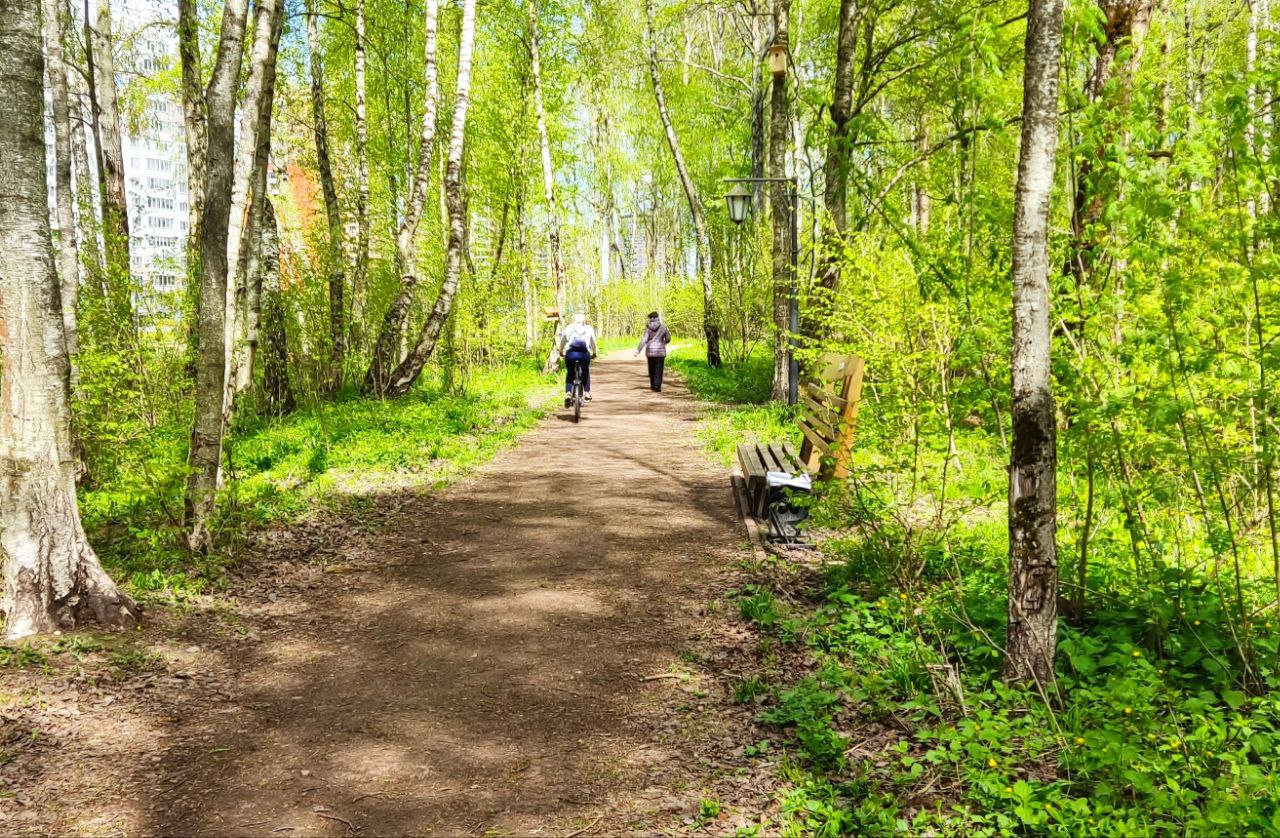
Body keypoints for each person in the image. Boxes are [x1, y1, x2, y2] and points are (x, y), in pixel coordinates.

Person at [557, 312, 597, 406]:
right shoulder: (588, 328)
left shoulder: (569, 328)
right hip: (584, 354)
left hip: (571, 354)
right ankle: (587, 393)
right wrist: (594, 352)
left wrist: (561, 351)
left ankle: (568, 393)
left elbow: (563, 340)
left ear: (574, 319)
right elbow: (593, 342)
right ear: (584, 320)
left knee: (570, 373)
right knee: (585, 371)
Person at [634, 311, 671, 392]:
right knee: (659, 369)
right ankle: (657, 386)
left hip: (650, 351)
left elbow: (644, 340)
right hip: (660, 352)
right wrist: (664, 343)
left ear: (650, 318)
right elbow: (668, 338)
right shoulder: (663, 327)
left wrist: (638, 350)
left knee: (652, 369)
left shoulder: (648, 328)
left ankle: (653, 385)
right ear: (657, 317)